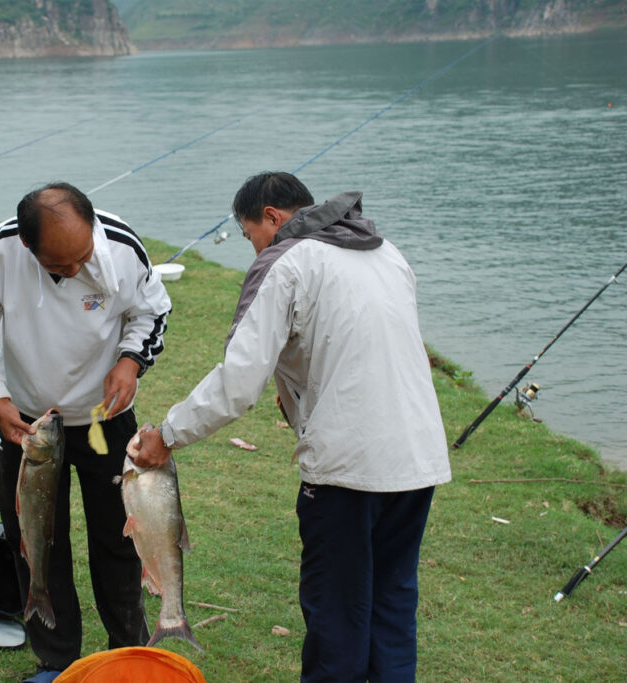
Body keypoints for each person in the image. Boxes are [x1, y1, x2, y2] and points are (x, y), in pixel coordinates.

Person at [133, 172, 452, 682]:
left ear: (273, 219)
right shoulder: (385, 251)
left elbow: (239, 381)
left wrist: (168, 434)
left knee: (337, 615)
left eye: (248, 235)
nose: (252, 248)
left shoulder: (286, 261)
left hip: (348, 470)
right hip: (417, 460)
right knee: (391, 606)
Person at [0, 182, 172, 682]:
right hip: (28, 424)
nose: (74, 270)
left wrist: (131, 361)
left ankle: (127, 651)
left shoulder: (121, 246)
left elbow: (151, 312)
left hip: (102, 421)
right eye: (60, 266)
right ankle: (57, 659)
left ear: (92, 228)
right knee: (35, 540)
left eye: (81, 258)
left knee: (118, 536)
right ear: (29, 248)